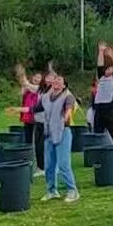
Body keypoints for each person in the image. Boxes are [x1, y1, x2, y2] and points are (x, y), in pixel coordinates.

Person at [35, 72, 79, 202]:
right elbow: (35, 108)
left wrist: (67, 115)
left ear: (64, 85)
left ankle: (72, 191)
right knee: (49, 165)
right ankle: (52, 191)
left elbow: (69, 108)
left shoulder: (68, 96)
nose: (57, 81)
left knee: (63, 163)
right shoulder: (45, 97)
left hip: (63, 133)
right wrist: (19, 109)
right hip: (49, 134)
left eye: (60, 80)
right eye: (55, 80)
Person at [10, 64, 47, 177]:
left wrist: (22, 75)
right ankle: (41, 167)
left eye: (39, 78)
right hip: (36, 117)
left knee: (44, 144)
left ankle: (45, 167)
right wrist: (22, 76)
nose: (36, 79)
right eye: (35, 77)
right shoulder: (39, 89)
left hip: (45, 120)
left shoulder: (43, 90)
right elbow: (25, 85)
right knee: (38, 143)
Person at [93, 42, 113, 145]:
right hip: (99, 109)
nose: (107, 70)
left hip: (109, 109)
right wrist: (100, 51)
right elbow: (99, 65)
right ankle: (98, 154)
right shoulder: (101, 77)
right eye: (107, 69)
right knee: (97, 134)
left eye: (110, 68)